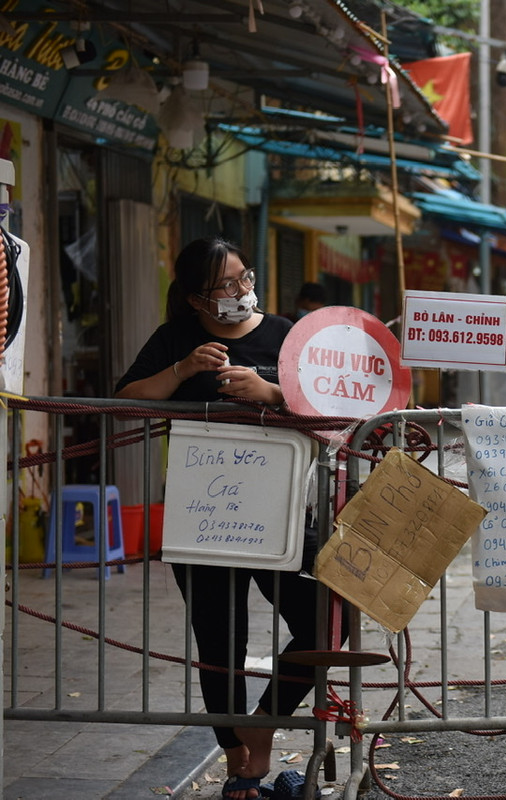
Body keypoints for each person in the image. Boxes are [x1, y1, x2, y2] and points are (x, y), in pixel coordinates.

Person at [114, 237, 333, 800]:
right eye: (226, 286)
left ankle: (262, 722)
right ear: (195, 300)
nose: (241, 291)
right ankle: (240, 761)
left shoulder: (285, 333)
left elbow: (328, 405)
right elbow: (127, 397)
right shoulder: (176, 339)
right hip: (204, 516)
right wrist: (184, 369)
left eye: (245, 277)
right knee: (219, 640)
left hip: (282, 515)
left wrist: (270, 391)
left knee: (324, 624)